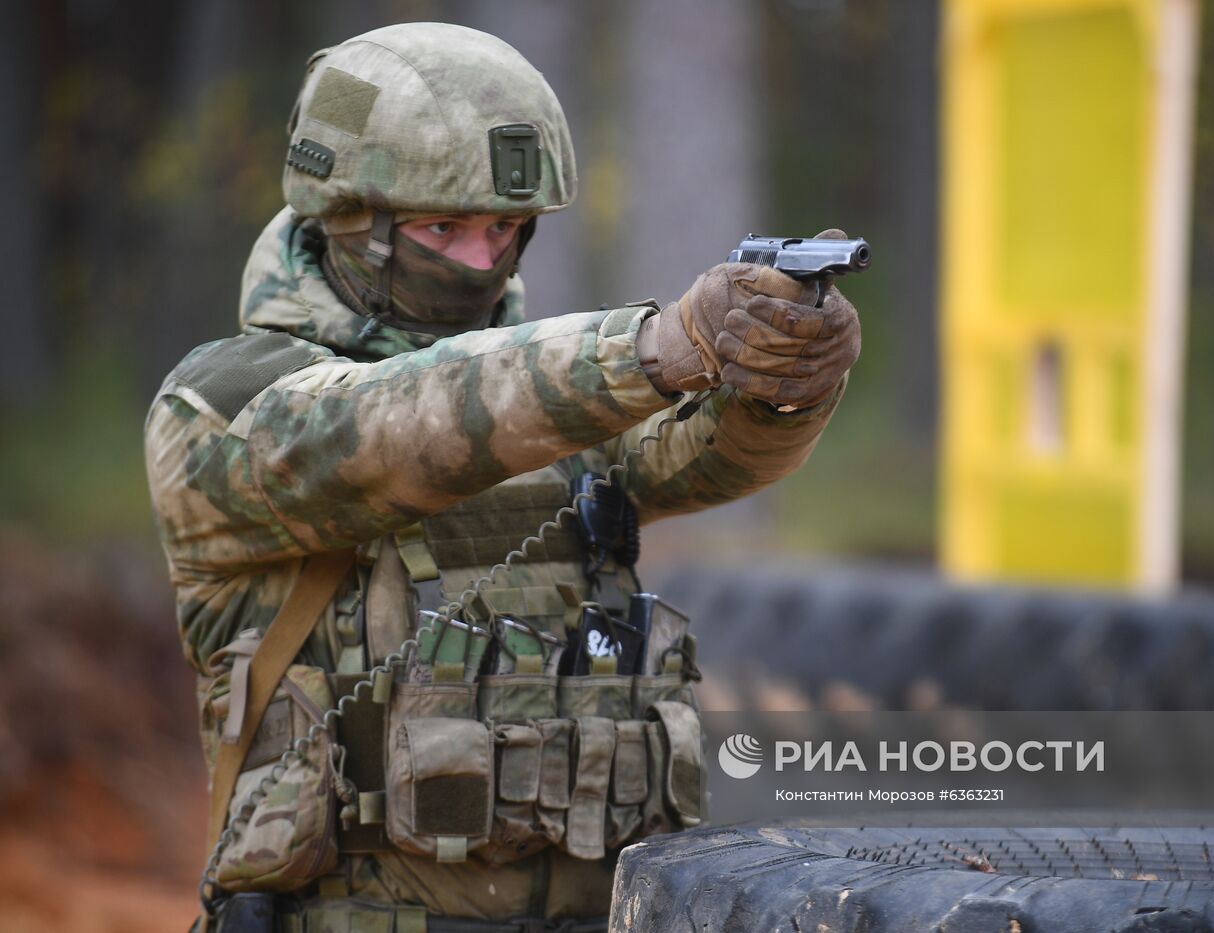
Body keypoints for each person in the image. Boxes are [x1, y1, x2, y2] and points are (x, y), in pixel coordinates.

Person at [145, 22, 860, 932]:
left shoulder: (552, 403)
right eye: (445, 227)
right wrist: (656, 345)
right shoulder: (224, 404)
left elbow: (689, 458)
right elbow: (401, 424)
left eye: (504, 228)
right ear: (347, 221)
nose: (483, 260)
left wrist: (783, 381)